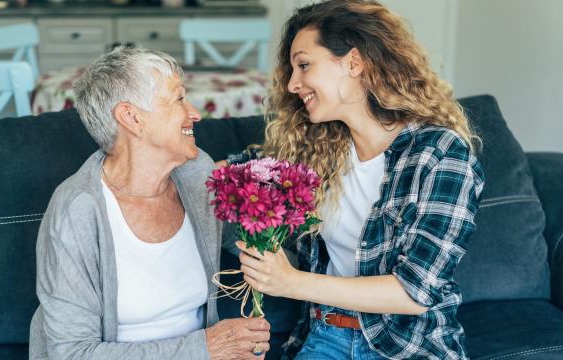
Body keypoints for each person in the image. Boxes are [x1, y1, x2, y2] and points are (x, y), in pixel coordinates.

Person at [231, 1, 485, 359]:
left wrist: (291, 282)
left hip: (409, 346)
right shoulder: (314, 150)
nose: (292, 84)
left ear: (353, 62)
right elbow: (237, 177)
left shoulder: (440, 153)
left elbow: (414, 292)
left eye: (303, 65)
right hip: (326, 336)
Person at [28, 46, 270, 360]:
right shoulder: (78, 210)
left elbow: (250, 245)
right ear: (132, 118)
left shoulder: (198, 174)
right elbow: (72, 353)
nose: (195, 113)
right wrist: (207, 348)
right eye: (179, 98)